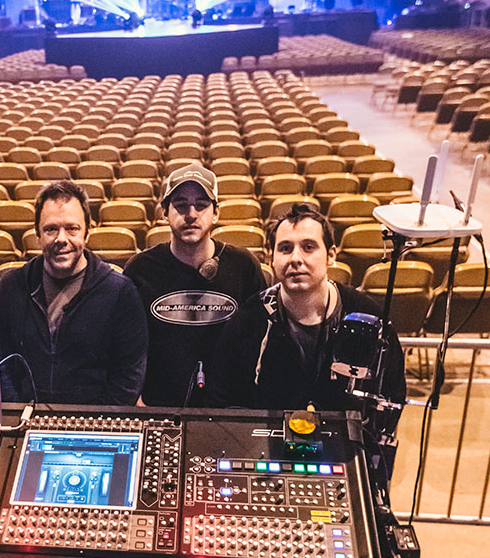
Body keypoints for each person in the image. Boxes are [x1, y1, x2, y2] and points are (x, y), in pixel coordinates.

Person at [206, 202, 406, 421]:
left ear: (331, 255)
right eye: (285, 248)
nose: (295, 259)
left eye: (308, 247)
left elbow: (391, 397)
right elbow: (222, 399)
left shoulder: (368, 316)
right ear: (271, 259)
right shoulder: (249, 320)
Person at [0, 180, 148, 405]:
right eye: (51, 229)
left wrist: (96, 423)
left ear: (87, 232)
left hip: (95, 426)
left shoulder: (120, 292)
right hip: (27, 419)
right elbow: (1, 365)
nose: (61, 239)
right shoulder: (12, 287)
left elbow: (128, 379)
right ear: (37, 234)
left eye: (72, 228)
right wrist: (19, 411)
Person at [124, 162, 265, 407]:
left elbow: (262, 341)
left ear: (216, 212)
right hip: (159, 407)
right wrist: (136, 400)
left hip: (230, 408)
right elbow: (124, 343)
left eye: (201, 205)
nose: (191, 214)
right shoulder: (140, 269)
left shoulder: (244, 266)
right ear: (164, 212)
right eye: (180, 205)